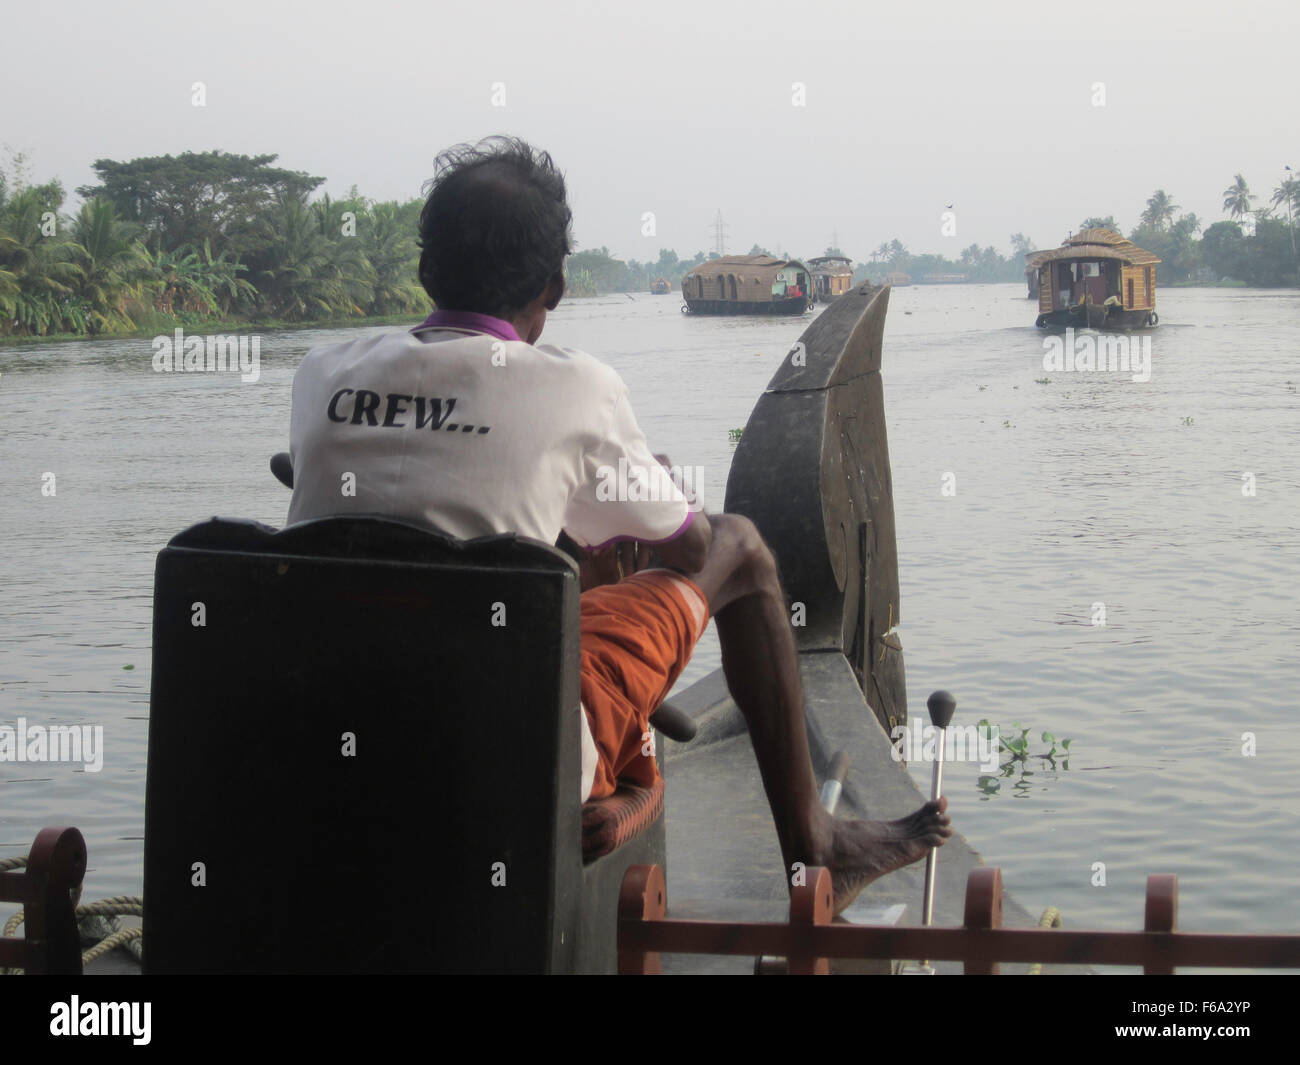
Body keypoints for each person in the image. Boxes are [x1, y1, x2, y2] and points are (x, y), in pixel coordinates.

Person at [285, 136, 950, 914]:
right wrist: (642, 504)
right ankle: (816, 843)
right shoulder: (576, 390)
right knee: (741, 547)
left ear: (427, 270)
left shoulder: (321, 374)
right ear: (555, 285)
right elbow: (692, 547)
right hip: (513, 751)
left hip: (326, 737)